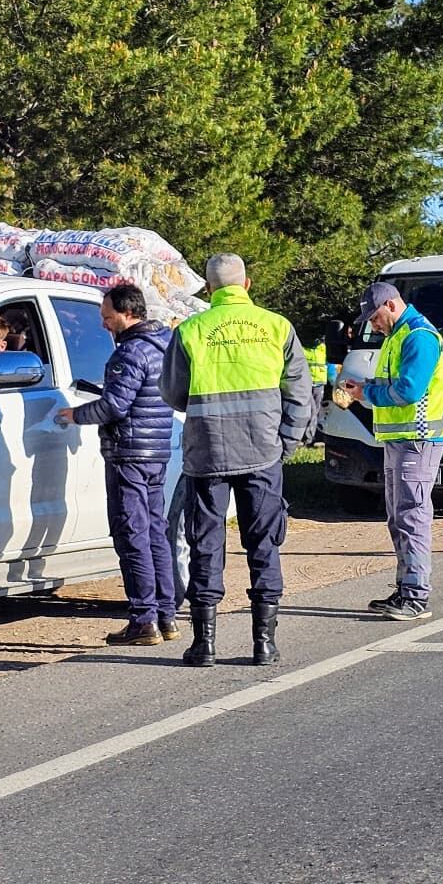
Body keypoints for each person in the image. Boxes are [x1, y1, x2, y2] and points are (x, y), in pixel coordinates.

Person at [159, 253, 311, 667]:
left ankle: (204, 644)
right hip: (263, 452)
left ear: (209, 290)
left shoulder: (191, 330)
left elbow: (173, 394)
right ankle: (264, 643)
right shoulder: (277, 327)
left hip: (207, 454)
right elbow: (299, 393)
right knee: (263, 542)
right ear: (247, 284)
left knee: (205, 543)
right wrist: (288, 443)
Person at [56, 285, 177, 646]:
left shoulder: (129, 353)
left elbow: (114, 407)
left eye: (107, 317)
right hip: (156, 451)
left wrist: (75, 415)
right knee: (156, 533)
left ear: (126, 313)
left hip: (129, 454)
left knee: (132, 535)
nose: (105, 324)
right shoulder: (163, 346)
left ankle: (143, 620)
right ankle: (166, 615)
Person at [341, 282, 443, 620]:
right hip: (399, 439)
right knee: (399, 516)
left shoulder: (418, 337)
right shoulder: (397, 336)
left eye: (374, 317)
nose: (372, 325)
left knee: (412, 515)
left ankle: (416, 596)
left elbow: (408, 390)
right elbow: (394, 384)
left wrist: (365, 394)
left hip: (418, 439)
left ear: (391, 305)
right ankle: (406, 588)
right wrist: (364, 388)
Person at [300, 332, 329, 446]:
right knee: (311, 411)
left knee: (316, 411)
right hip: (306, 384)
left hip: (319, 384)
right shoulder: (302, 349)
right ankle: (308, 438)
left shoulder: (322, 348)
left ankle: (312, 437)